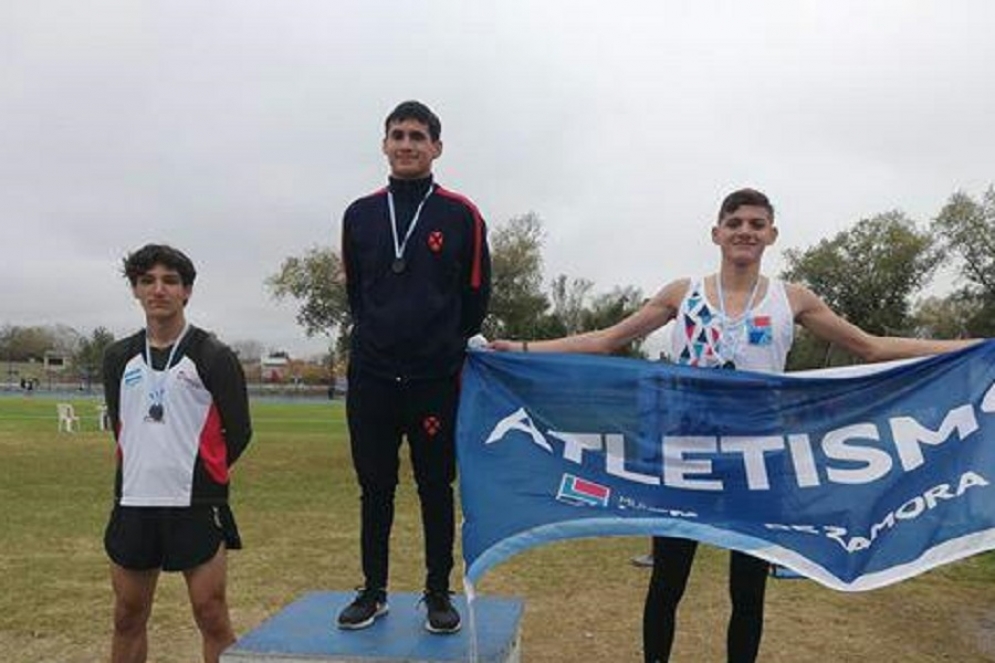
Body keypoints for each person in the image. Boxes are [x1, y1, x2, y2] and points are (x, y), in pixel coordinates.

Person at [490, 188, 980, 663]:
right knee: (667, 583)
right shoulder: (684, 293)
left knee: (747, 591)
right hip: (684, 456)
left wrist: (966, 348)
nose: (745, 231)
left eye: (756, 224)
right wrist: (524, 350)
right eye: (735, 223)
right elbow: (606, 340)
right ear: (716, 233)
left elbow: (869, 347)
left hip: (758, 460)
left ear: (772, 235)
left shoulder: (793, 299)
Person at [337, 100, 491, 634]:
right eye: (398, 135)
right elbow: (359, 294)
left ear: (436, 148)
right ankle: (374, 590)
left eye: (418, 136)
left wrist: (439, 346)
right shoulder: (359, 214)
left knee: (434, 486)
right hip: (374, 377)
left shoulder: (461, 214)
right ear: (384, 144)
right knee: (374, 488)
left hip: (434, 380)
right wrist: (384, 339)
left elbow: (476, 298)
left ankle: (436, 592)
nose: (407, 144)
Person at [102, 244, 252, 663]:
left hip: (196, 502)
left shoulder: (213, 355)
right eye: (147, 280)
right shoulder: (118, 358)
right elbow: (122, 425)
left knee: (211, 614)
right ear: (135, 290)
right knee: (128, 617)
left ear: (187, 291)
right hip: (134, 502)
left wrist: (200, 470)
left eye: (170, 281)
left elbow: (238, 432)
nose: (158, 289)